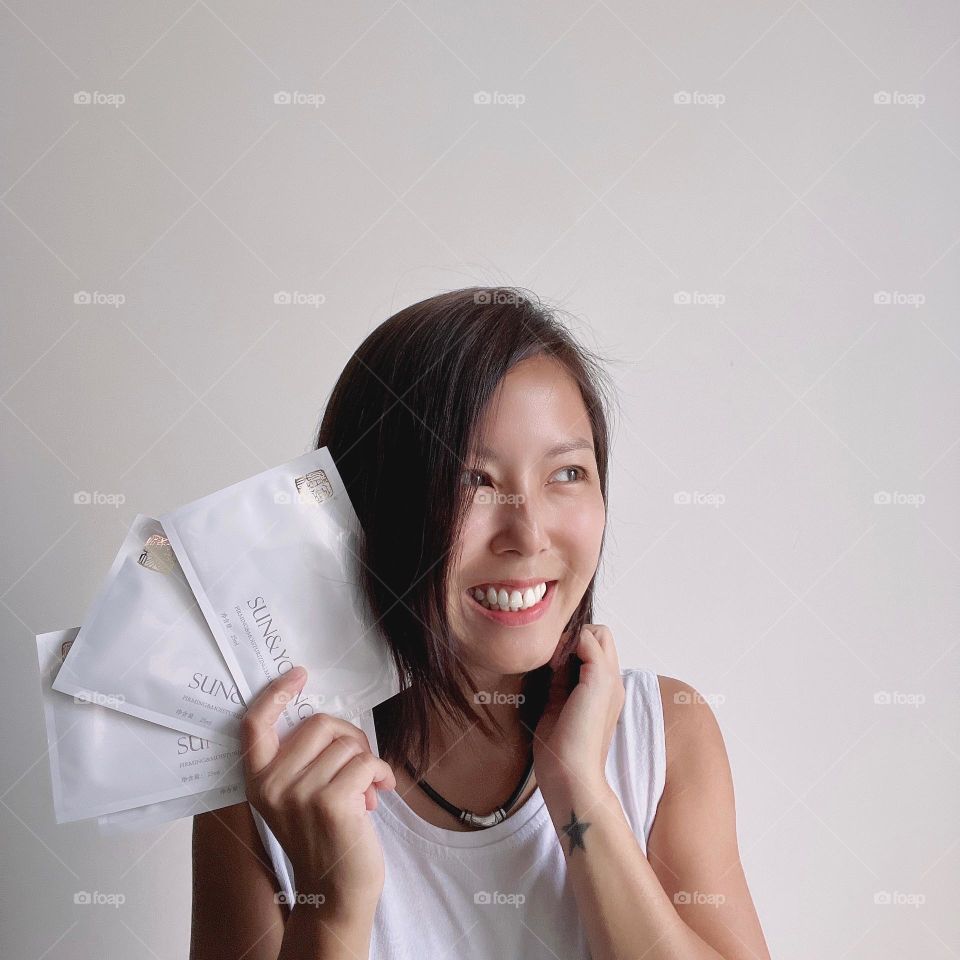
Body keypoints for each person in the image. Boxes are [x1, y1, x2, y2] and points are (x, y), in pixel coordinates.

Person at [190, 287, 772, 959]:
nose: (527, 534)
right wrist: (334, 906)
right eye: (471, 481)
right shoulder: (275, 776)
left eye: (567, 472)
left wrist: (582, 793)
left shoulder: (664, 733)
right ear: (368, 506)